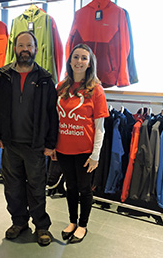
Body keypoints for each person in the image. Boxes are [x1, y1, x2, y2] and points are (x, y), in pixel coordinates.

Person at [0, 31, 58, 246]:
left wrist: (50, 144)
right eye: (21, 45)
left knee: (37, 187)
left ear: (36, 49)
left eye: (29, 45)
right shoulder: (4, 76)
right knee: (13, 188)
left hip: (35, 145)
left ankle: (41, 226)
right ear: (15, 48)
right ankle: (19, 222)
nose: (25, 49)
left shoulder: (45, 79)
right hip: (10, 144)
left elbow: (52, 114)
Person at [53, 43, 109, 243]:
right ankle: (72, 221)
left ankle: (83, 225)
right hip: (64, 149)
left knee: (84, 189)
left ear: (89, 63)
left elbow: (100, 127)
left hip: (85, 151)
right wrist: (53, 146)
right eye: (76, 57)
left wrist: (95, 155)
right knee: (70, 187)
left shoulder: (96, 90)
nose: (79, 61)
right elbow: (54, 119)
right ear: (69, 60)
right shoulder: (61, 87)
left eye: (84, 58)